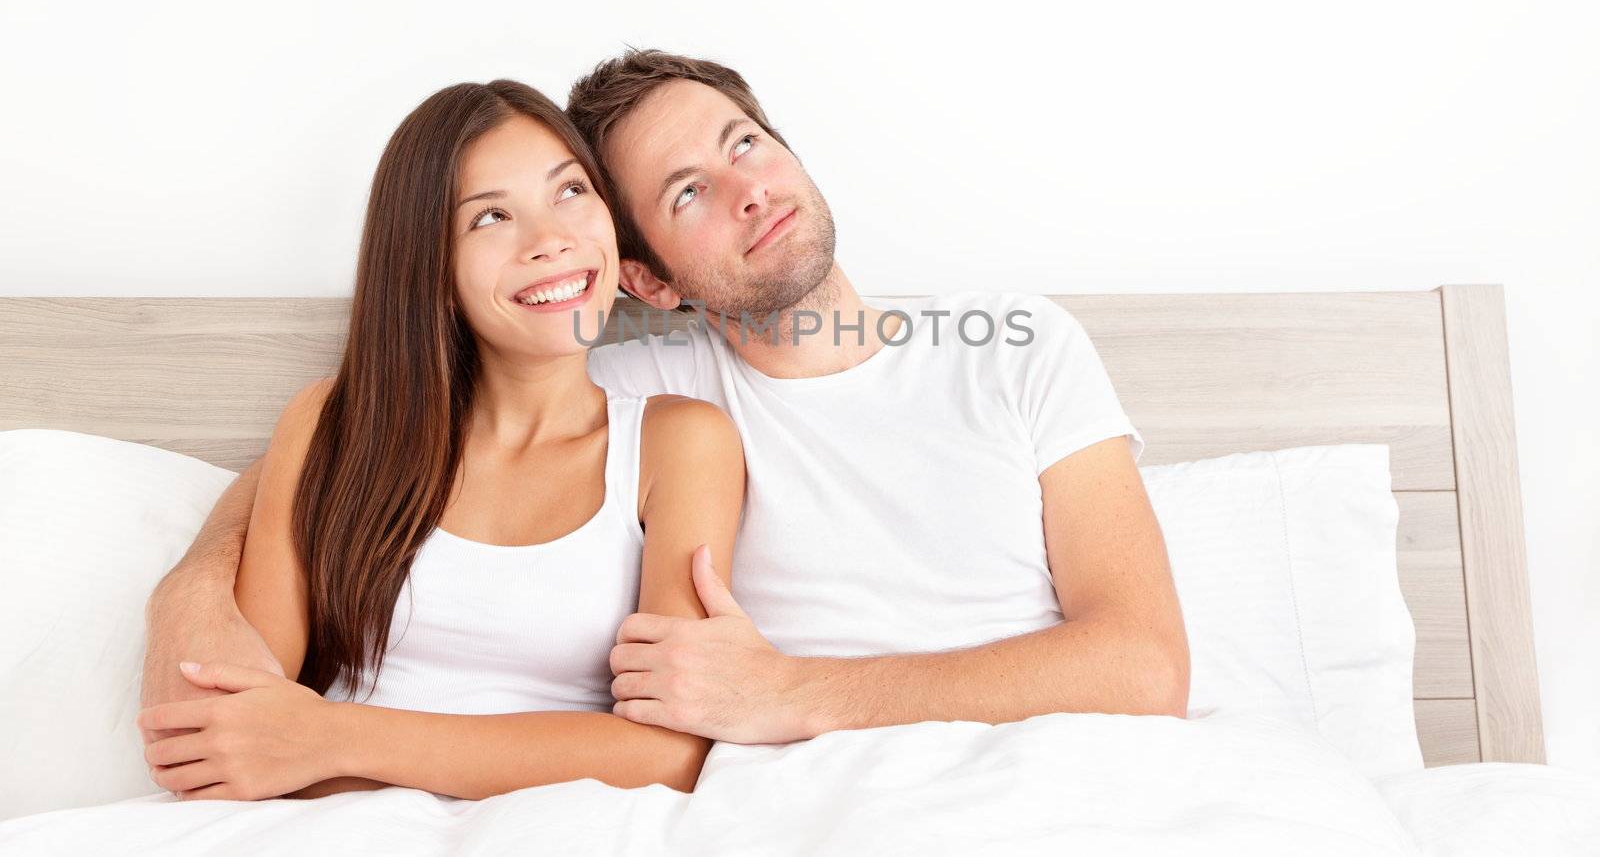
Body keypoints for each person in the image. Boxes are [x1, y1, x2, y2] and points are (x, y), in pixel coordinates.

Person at [143, 50, 1187, 766]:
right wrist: (189, 582)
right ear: (643, 279)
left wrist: (791, 693)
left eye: (743, 143)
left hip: (1055, 767)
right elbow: (381, 426)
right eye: (685, 192)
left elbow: (1142, 662)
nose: (747, 190)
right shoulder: (645, 390)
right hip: (798, 798)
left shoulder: (1014, 343)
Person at [136, 80, 745, 800]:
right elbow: (230, 729)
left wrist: (333, 736)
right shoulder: (332, 425)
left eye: (571, 191)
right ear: (433, 268)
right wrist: (180, 592)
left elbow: (670, 752)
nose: (550, 238)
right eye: (491, 216)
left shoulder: (678, 444)